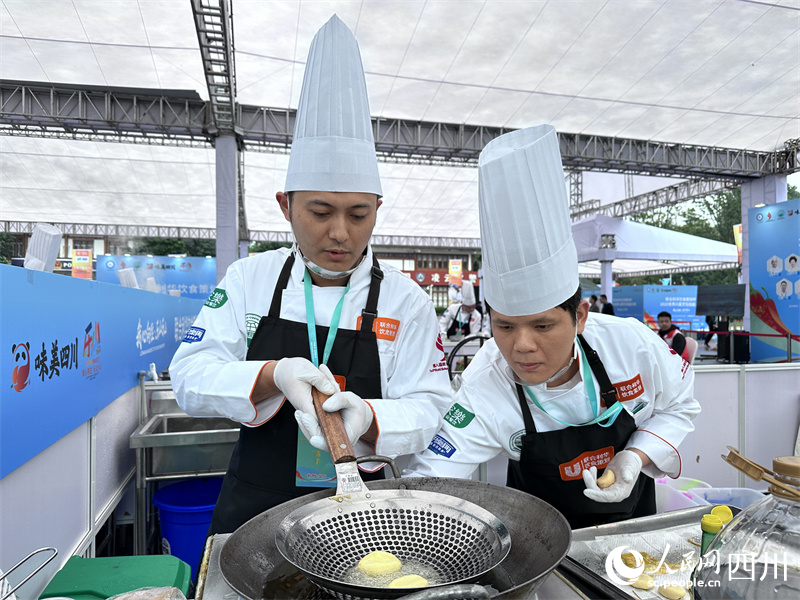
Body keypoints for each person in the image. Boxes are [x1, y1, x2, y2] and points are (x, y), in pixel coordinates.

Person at [170, 16, 451, 535]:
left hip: (370, 506)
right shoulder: (249, 278)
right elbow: (189, 377)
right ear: (285, 205)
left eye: (359, 215)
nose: (341, 233)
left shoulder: (405, 300)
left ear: (377, 208)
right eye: (321, 213)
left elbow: (433, 406)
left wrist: (371, 417)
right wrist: (271, 375)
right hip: (256, 503)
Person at [404, 125, 700, 529]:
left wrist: (635, 456)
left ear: (579, 316)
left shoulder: (630, 345)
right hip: (536, 546)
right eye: (505, 327)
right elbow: (434, 476)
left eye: (542, 326)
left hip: (630, 532)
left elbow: (680, 406)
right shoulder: (486, 384)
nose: (521, 346)